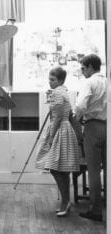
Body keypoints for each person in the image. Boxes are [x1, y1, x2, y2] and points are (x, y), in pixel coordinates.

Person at [35, 67, 82, 217]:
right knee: (60, 168)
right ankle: (65, 201)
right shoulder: (63, 91)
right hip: (65, 128)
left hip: (60, 129)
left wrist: (51, 137)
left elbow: (58, 117)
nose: (50, 82)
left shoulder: (58, 93)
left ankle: (65, 201)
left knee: (57, 169)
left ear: (61, 80)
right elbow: (66, 114)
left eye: (53, 79)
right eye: (49, 79)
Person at [74, 54, 106, 221]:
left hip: (93, 126)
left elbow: (80, 105)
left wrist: (78, 117)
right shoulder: (107, 81)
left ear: (91, 67)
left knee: (93, 171)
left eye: (83, 68)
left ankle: (95, 210)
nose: (82, 71)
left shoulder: (89, 82)